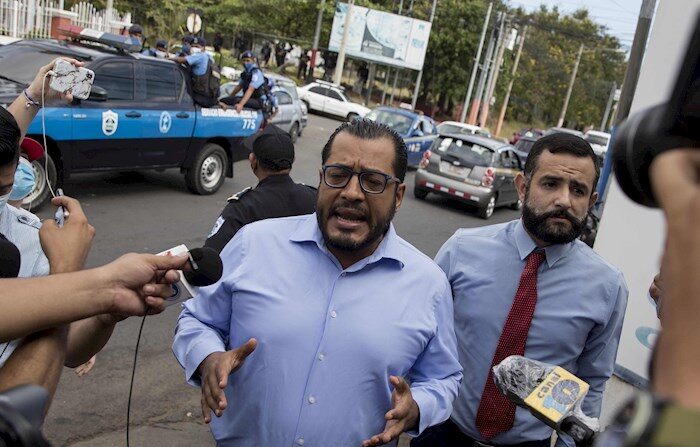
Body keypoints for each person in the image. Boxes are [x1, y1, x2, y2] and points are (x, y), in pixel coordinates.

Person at [173, 119, 462, 446]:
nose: (351, 193)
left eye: (373, 182)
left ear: (398, 196)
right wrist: (208, 357)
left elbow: (443, 377)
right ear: (321, 179)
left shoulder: (429, 285)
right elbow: (197, 319)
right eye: (338, 175)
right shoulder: (253, 244)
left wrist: (418, 407)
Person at [413, 133, 629, 447]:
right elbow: (421, 336)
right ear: (522, 187)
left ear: (592, 202)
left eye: (578, 190)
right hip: (442, 433)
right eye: (550, 183)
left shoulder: (608, 287)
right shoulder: (461, 249)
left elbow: (593, 381)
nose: (564, 200)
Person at [204, 124, 316, 253]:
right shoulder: (314, 198)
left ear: (253, 160)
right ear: (293, 160)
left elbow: (210, 256)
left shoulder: (242, 208)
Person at [219, 51, 270, 116]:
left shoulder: (256, 73)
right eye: (244, 60)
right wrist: (229, 97)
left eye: (248, 61)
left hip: (259, 101)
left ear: (253, 61)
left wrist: (241, 104)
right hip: (249, 99)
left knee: (237, 100)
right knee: (224, 100)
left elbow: (251, 89)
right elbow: (239, 86)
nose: (245, 63)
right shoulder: (245, 74)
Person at [172, 37, 220, 107]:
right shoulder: (209, 58)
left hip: (200, 97)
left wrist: (169, 58)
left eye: (197, 46)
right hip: (209, 98)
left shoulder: (200, 56)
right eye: (193, 46)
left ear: (203, 48)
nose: (194, 48)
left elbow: (181, 60)